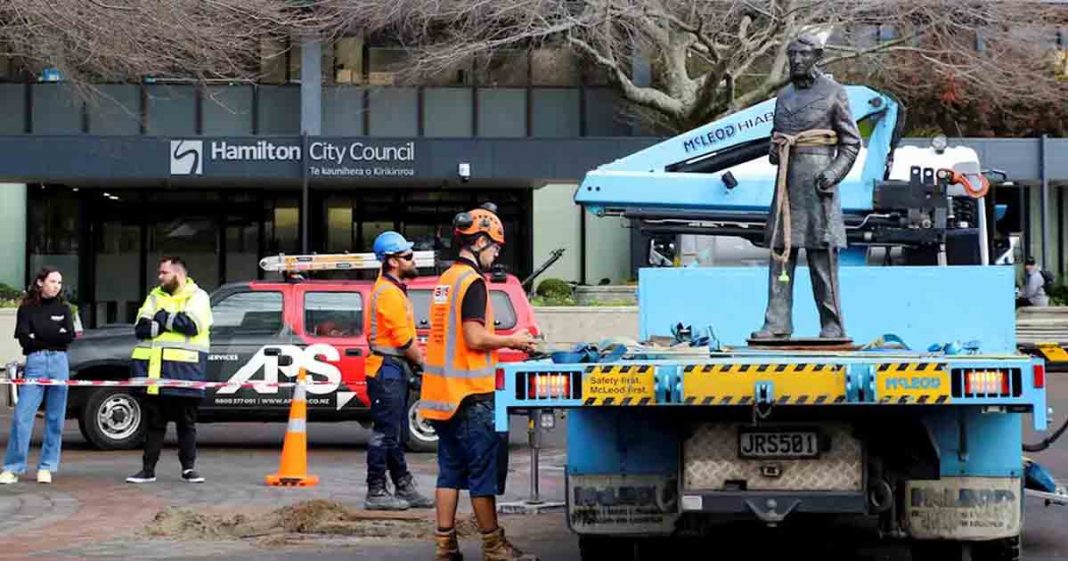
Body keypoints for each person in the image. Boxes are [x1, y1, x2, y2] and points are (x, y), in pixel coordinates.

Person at [421, 203, 539, 561]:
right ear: (479, 241)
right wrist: (514, 340)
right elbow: (473, 337)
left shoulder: (445, 281)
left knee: (449, 474)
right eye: (495, 247)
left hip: (444, 397)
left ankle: (445, 546)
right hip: (472, 397)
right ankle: (494, 546)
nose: (496, 254)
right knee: (482, 476)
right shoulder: (473, 283)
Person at [750, 32, 862, 341]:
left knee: (821, 259)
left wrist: (833, 173)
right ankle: (776, 323)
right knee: (779, 257)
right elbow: (776, 139)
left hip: (817, 187)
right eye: (792, 56)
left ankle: (832, 324)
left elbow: (851, 143)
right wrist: (775, 150)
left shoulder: (834, 92)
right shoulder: (783, 96)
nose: (797, 61)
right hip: (786, 184)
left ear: (817, 58)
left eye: (803, 56)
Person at [125, 256, 212, 484]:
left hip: (186, 372)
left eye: (164, 273)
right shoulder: (155, 296)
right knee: (155, 423)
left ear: (178, 274)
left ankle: (189, 469)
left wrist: (163, 318)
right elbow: (141, 329)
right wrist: (170, 321)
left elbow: (192, 326)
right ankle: (147, 470)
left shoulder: (198, 296)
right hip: (155, 373)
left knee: (186, 424)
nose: (160, 277)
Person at [364, 231, 434, 510]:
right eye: (407, 256)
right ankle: (377, 491)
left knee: (395, 432)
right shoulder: (389, 293)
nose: (412, 259)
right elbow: (403, 340)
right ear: (392, 261)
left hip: (393, 368)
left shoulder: (393, 289)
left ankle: (403, 486)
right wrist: (424, 364)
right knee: (385, 434)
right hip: (387, 369)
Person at [0, 267, 75, 484]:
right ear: (41, 282)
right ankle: (13, 467)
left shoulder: (64, 309)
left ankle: (46, 466)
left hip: (60, 362)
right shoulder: (27, 308)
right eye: (52, 281)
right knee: (23, 417)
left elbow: (68, 337)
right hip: (36, 361)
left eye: (59, 282)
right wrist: (52, 335)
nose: (56, 286)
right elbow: (25, 338)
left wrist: (41, 335)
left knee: (55, 418)